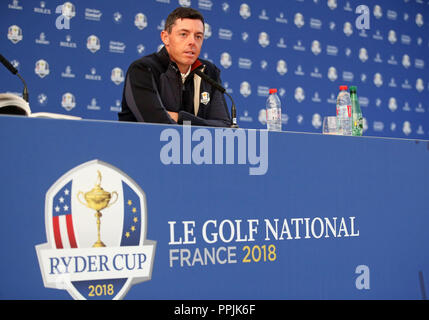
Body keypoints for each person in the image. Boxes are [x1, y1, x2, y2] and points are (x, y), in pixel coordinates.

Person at [119, 7, 231, 127]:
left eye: (198, 36)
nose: (192, 42)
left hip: (193, 145)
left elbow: (223, 127)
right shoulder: (143, 70)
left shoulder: (209, 72)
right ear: (165, 37)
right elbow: (156, 125)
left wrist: (180, 117)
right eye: (183, 34)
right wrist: (198, 125)